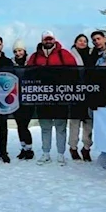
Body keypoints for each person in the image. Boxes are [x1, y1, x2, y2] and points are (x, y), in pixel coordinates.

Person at [27, 31, 77, 165]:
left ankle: (61, 154)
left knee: (61, 126)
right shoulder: (35, 56)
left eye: (50, 39)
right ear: (42, 40)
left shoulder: (64, 54)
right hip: (43, 97)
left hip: (60, 97)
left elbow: (75, 72)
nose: (48, 41)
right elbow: (27, 74)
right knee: (45, 126)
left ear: (54, 40)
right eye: (46, 39)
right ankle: (46, 153)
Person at [68, 34, 93, 162]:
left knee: (88, 122)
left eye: (85, 41)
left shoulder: (91, 55)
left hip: (89, 92)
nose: (82, 43)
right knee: (75, 122)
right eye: (80, 41)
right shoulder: (70, 55)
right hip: (75, 92)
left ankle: (87, 147)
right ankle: (73, 147)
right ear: (75, 42)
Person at [11, 40, 34, 159]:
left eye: (20, 50)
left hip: (29, 97)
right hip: (16, 98)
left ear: (24, 50)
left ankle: (29, 149)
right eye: (15, 51)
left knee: (24, 124)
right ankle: (23, 147)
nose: (18, 53)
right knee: (19, 124)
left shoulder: (31, 62)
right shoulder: (11, 64)